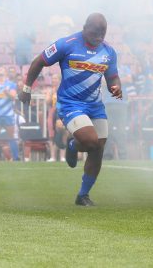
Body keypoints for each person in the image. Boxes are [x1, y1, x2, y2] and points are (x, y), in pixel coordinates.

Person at [19, 13, 122, 206]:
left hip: (95, 105)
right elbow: (38, 62)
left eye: (103, 33)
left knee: (98, 148)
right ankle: (73, 145)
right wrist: (27, 88)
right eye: (95, 32)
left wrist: (116, 87)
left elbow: (112, 78)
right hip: (70, 103)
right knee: (91, 141)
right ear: (84, 28)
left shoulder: (109, 52)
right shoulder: (66, 44)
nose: (99, 37)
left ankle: (83, 195)